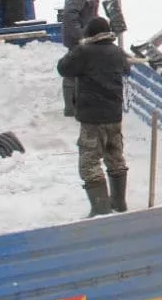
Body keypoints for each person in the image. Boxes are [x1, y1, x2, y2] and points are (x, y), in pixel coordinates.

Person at [56, 16, 131, 216]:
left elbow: (63, 68)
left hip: (92, 118)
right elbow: (127, 69)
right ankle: (119, 203)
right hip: (114, 117)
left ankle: (101, 209)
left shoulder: (84, 52)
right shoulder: (117, 52)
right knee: (115, 156)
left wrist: (78, 49)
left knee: (89, 162)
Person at [59, 0, 108, 116]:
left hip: (87, 39)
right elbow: (69, 16)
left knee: (82, 71)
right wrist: (80, 37)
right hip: (77, 40)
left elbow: (90, 15)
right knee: (72, 71)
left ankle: (78, 104)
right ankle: (70, 108)